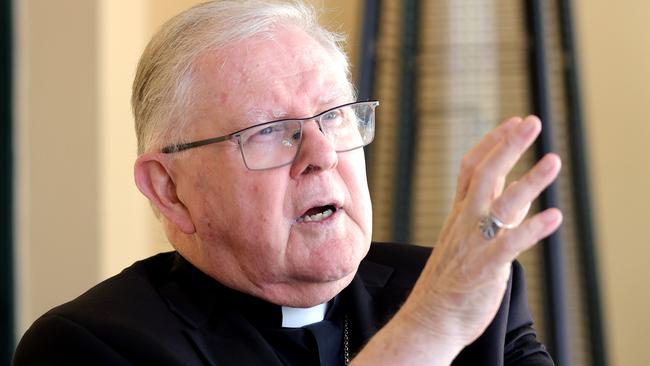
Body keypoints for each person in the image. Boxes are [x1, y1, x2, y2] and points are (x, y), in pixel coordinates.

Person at [13, 1, 563, 365]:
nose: (322, 155)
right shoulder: (90, 346)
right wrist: (427, 330)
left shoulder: (472, 292)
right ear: (170, 191)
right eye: (272, 131)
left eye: (335, 115)